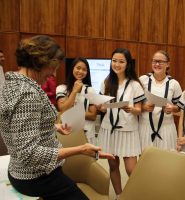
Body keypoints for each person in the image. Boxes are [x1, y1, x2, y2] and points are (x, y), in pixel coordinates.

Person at [0, 35, 114, 200]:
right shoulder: (28, 94)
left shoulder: (12, 83)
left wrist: (53, 126)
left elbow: (17, 127)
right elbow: (29, 154)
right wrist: (81, 150)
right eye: (52, 67)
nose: (53, 73)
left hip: (21, 171)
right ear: (39, 62)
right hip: (36, 176)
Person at [96, 48, 145, 199]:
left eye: (121, 61)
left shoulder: (135, 85)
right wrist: (100, 106)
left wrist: (130, 109)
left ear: (128, 64)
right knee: (112, 165)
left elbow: (139, 110)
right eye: (114, 61)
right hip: (109, 129)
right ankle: (119, 195)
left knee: (132, 169)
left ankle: (135, 195)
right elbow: (102, 107)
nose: (117, 64)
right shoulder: (106, 82)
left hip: (128, 130)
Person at [139, 50, 182, 151]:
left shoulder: (174, 84)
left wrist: (172, 108)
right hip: (145, 127)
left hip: (166, 129)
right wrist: (144, 107)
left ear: (167, 64)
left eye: (160, 62)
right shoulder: (143, 80)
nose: (157, 64)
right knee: (145, 161)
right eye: (154, 61)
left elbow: (179, 109)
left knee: (165, 162)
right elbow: (134, 104)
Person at [56, 57, 98, 145]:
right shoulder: (61, 88)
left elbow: (93, 116)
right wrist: (74, 91)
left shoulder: (90, 91)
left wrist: (71, 109)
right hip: (67, 133)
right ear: (72, 68)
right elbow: (63, 110)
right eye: (78, 68)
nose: (81, 71)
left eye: (84, 69)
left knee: (88, 158)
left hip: (86, 133)